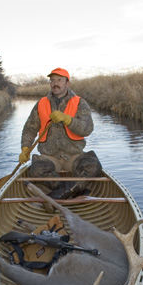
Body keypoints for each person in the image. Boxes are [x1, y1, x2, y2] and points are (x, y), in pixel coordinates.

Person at [19, 67, 102, 198]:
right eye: (52, 80)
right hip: (50, 156)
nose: (55, 83)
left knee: (93, 165)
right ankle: (71, 190)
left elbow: (87, 129)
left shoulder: (80, 103)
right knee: (36, 169)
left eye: (59, 80)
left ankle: (57, 194)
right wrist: (25, 148)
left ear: (67, 83)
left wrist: (68, 120)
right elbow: (30, 128)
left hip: (74, 155)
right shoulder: (41, 103)